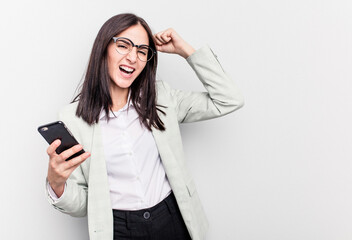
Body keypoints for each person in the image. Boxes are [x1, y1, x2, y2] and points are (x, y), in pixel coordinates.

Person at [45, 13, 244, 240]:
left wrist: (185, 50)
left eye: (141, 51)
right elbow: (84, 206)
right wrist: (57, 183)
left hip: (172, 218)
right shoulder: (73, 119)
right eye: (123, 45)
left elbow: (229, 99)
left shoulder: (162, 98)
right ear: (104, 49)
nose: (133, 57)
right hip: (118, 228)